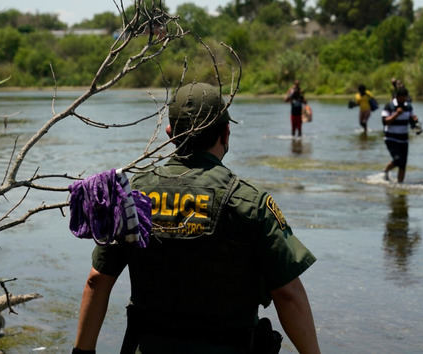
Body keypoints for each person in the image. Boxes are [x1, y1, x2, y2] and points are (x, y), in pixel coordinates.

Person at [73, 82, 320, 354]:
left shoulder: (131, 197)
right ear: (226, 133)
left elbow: (97, 281)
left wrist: (82, 351)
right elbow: (288, 295)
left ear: (170, 134)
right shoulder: (249, 203)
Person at [381, 87, 420, 183]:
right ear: (397, 97)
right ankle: (385, 171)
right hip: (391, 138)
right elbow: (385, 122)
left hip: (404, 139)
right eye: (402, 98)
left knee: (403, 164)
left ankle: (400, 184)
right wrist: (396, 114)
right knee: (397, 160)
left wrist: (415, 122)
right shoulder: (389, 106)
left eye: (405, 98)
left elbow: (412, 123)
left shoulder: (409, 106)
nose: (404, 100)